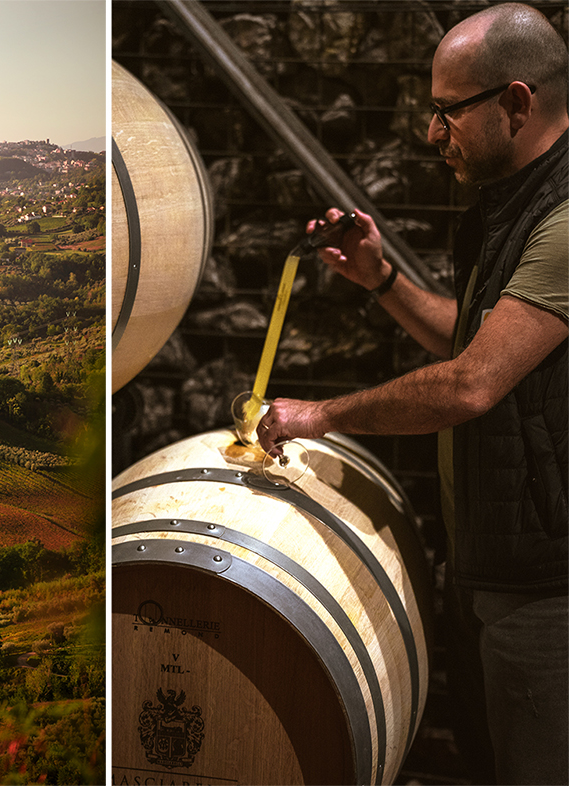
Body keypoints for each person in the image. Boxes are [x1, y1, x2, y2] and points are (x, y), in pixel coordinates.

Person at [256, 4, 567, 783]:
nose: (432, 134)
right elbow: (471, 342)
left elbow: (471, 383)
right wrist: (382, 278)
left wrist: (320, 416)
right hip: (503, 570)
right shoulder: (511, 205)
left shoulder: (564, 222)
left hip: (550, 590)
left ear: (518, 103)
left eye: (448, 112)